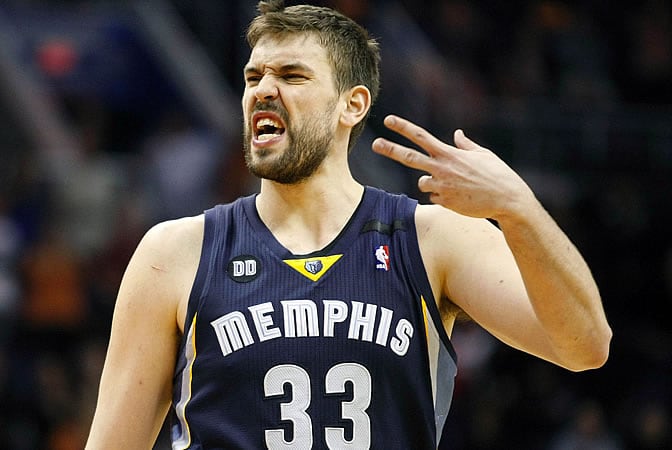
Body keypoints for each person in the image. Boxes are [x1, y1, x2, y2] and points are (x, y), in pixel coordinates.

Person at [85, 1, 612, 449]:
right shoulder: (174, 251)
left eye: (291, 75)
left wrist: (519, 209)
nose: (263, 90)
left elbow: (585, 347)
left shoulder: (432, 240)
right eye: (253, 77)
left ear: (351, 105)